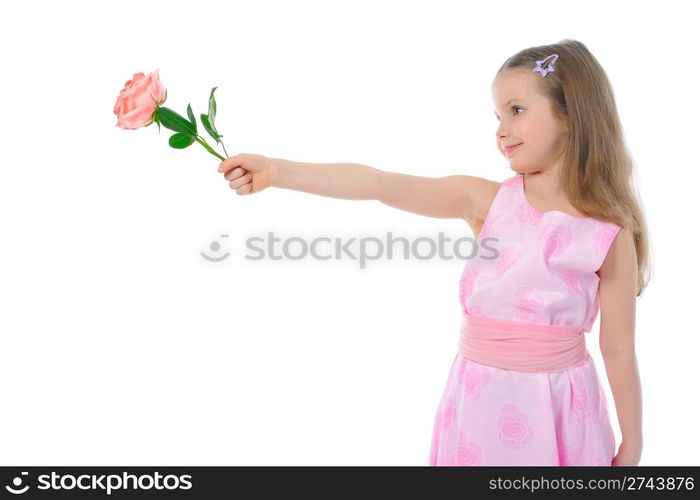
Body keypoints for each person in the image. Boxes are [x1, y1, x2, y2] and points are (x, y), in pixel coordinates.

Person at [216, 39, 649, 466]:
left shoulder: (608, 234)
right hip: (481, 399)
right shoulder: (487, 202)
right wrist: (279, 171)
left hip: (561, 408)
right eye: (498, 115)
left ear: (571, 114)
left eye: (516, 110)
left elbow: (617, 348)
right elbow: (378, 184)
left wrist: (633, 440)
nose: (501, 129)